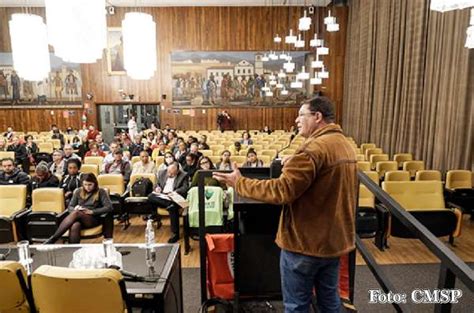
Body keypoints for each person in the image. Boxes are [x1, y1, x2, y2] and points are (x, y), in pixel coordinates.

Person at [213, 97, 357, 313]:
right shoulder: (344, 145)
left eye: (301, 115)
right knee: (329, 303)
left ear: (317, 117)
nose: (297, 120)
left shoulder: (311, 151)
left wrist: (239, 182)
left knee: (296, 306)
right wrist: (296, 160)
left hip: (305, 244)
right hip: (333, 242)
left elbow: (281, 191)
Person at [44, 173, 113, 244]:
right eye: (85, 185)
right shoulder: (78, 191)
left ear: (95, 183)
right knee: (75, 225)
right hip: (79, 217)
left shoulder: (100, 191)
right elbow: (70, 207)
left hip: (94, 219)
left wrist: (92, 211)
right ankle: (72, 250)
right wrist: (75, 209)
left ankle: (53, 239)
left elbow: (109, 207)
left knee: (76, 213)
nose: (87, 187)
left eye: (90, 185)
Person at [147, 162, 189, 243]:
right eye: (168, 172)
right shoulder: (162, 173)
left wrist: (175, 192)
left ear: (177, 171)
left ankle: (175, 234)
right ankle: (158, 212)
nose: (169, 174)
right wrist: (157, 188)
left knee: (173, 207)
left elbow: (185, 188)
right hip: (163, 196)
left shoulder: (183, 175)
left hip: (174, 197)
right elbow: (157, 185)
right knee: (150, 196)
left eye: (172, 173)